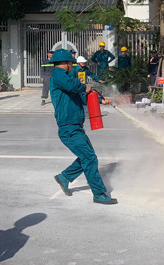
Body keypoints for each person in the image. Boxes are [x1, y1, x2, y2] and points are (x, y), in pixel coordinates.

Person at [49, 49, 117, 205]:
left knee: (87, 156)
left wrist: (100, 101)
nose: (72, 66)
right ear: (65, 63)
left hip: (75, 125)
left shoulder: (67, 78)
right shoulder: (58, 75)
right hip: (68, 127)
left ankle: (64, 177)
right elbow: (74, 86)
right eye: (71, 63)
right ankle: (99, 193)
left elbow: (82, 96)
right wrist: (84, 86)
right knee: (89, 158)